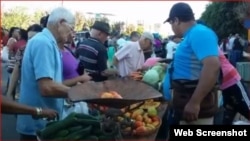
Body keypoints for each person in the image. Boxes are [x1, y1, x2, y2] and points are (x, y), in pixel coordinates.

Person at [16, 7, 75, 141]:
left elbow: (53, 82)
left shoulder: (49, 42)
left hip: (44, 123)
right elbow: (46, 87)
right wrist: (80, 93)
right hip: (37, 125)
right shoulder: (43, 43)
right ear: (61, 22)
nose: (72, 32)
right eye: (71, 27)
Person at [163, 2, 220, 125]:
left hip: (195, 109)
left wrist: (195, 102)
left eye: (171, 23)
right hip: (185, 102)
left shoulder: (199, 33)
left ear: (176, 20)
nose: (171, 27)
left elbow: (212, 66)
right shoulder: (191, 35)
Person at [6, 24, 43, 100]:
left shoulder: (46, 51)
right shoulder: (23, 50)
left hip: (43, 92)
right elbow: (16, 71)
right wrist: (9, 93)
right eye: (29, 38)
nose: (31, 41)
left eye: (35, 38)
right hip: (25, 91)